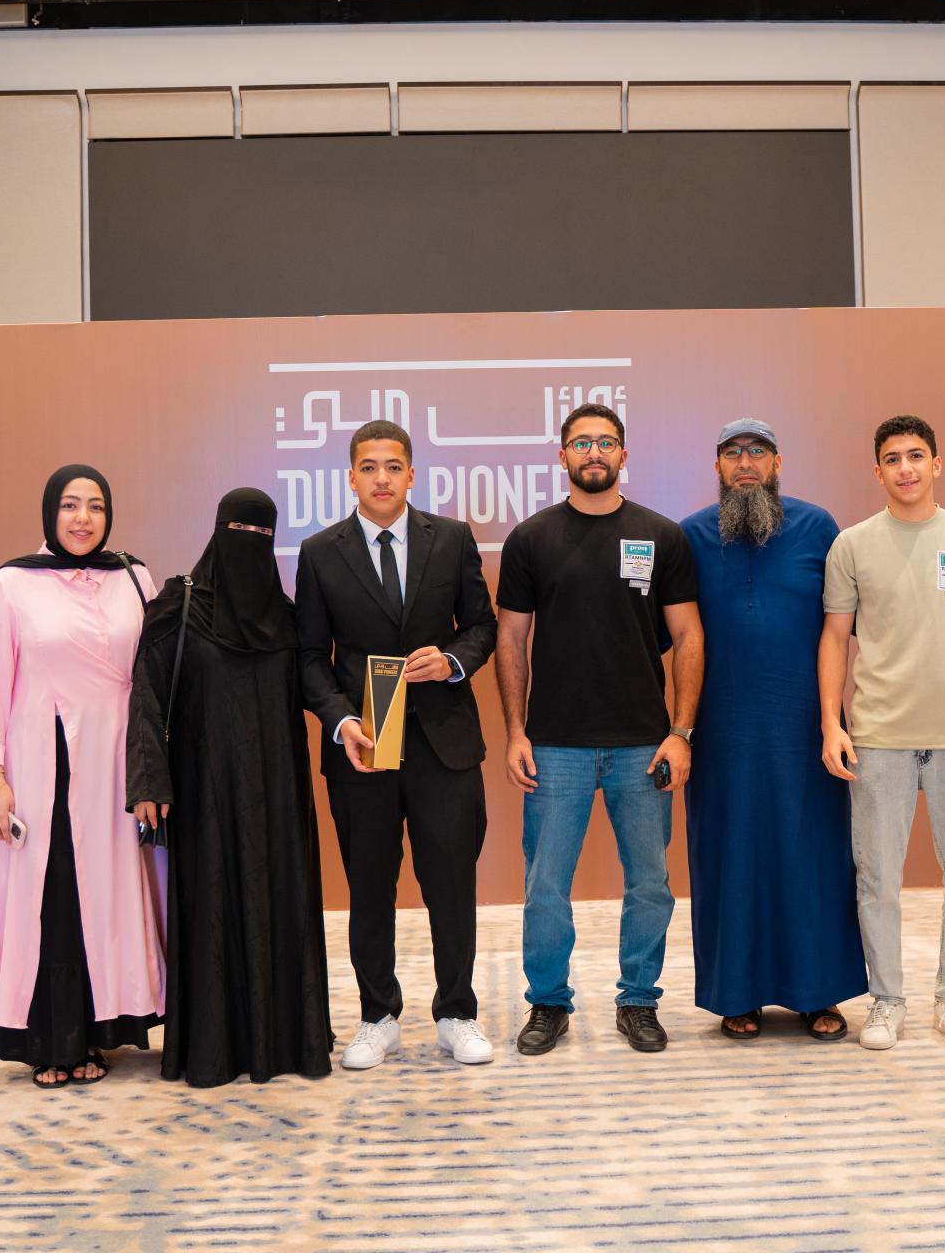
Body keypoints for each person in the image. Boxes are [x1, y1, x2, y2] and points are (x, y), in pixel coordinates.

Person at [496, 402, 703, 1056]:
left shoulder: (661, 536)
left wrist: (680, 732)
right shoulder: (530, 539)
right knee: (545, 887)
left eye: (606, 442)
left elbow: (688, 636)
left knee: (650, 884)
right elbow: (511, 639)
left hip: (643, 741)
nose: (594, 452)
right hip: (554, 743)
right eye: (581, 443)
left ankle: (638, 1000)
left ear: (623, 454)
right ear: (562, 456)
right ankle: (547, 1003)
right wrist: (515, 732)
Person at [295, 420, 499, 1069]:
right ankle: (377, 1016)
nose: (381, 478)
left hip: (445, 744)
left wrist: (453, 661)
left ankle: (457, 1013)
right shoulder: (320, 553)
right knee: (369, 887)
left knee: (451, 886)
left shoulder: (453, 539)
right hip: (363, 747)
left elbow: (482, 626)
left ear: (411, 475)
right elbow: (309, 658)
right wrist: (340, 721)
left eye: (392, 467)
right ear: (350, 478)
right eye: (368, 467)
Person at [0, 464, 167, 1090]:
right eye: (71, 505)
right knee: (54, 896)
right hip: (44, 764)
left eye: (95, 506)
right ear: (50, 512)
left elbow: (154, 675)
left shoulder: (134, 578)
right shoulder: (11, 584)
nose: (83, 518)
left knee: (111, 895)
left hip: (118, 766)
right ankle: (53, 1040)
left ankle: (101, 1030)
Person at [819, 415, 945, 1052]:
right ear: (876, 471)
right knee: (877, 878)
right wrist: (831, 722)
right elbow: (834, 639)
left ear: (937, 464)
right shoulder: (852, 545)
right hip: (880, 736)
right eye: (892, 458)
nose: (905, 468)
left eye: (915, 456)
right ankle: (886, 1002)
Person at [126, 488, 335, 1087]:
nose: (250, 545)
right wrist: (149, 781)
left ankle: (286, 1041)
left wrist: (351, 719)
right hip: (204, 791)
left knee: (281, 902)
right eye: (239, 531)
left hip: (278, 793)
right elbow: (146, 696)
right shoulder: (178, 607)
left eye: (262, 535)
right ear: (217, 532)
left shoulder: (286, 618)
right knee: (211, 906)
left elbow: (314, 685)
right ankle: (213, 1048)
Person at [680, 419, 867, 1041]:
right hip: (721, 731)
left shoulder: (818, 529)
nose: (745, 463)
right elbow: (672, 636)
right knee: (730, 855)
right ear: (717, 467)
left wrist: (834, 719)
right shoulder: (690, 537)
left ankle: (819, 993)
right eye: (732, 453)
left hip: (806, 726)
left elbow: (843, 628)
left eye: (757, 451)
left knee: (813, 854)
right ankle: (738, 994)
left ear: (777, 462)